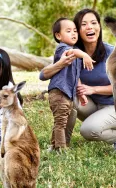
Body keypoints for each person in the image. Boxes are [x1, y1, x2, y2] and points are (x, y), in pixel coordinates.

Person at [40, 9, 116, 152]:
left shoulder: (112, 52)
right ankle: (61, 145)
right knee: (67, 96)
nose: (90, 27)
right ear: (77, 30)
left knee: (88, 131)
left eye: (93, 23)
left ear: (99, 27)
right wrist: (61, 64)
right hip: (91, 106)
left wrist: (93, 89)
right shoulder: (72, 52)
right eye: (84, 24)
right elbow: (43, 75)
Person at [46, 17, 94, 151]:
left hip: (68, 94)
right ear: (58, 35)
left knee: (63, 122)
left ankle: (55, 146)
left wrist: (81, 94)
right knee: (60, 122)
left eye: (75, 31)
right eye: (68, 31)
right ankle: (61, 148)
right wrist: (84, 55)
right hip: (59, 93)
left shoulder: (76, 54)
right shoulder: (63, 49)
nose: (73, 33)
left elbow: (76, 77)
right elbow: (71, 52)